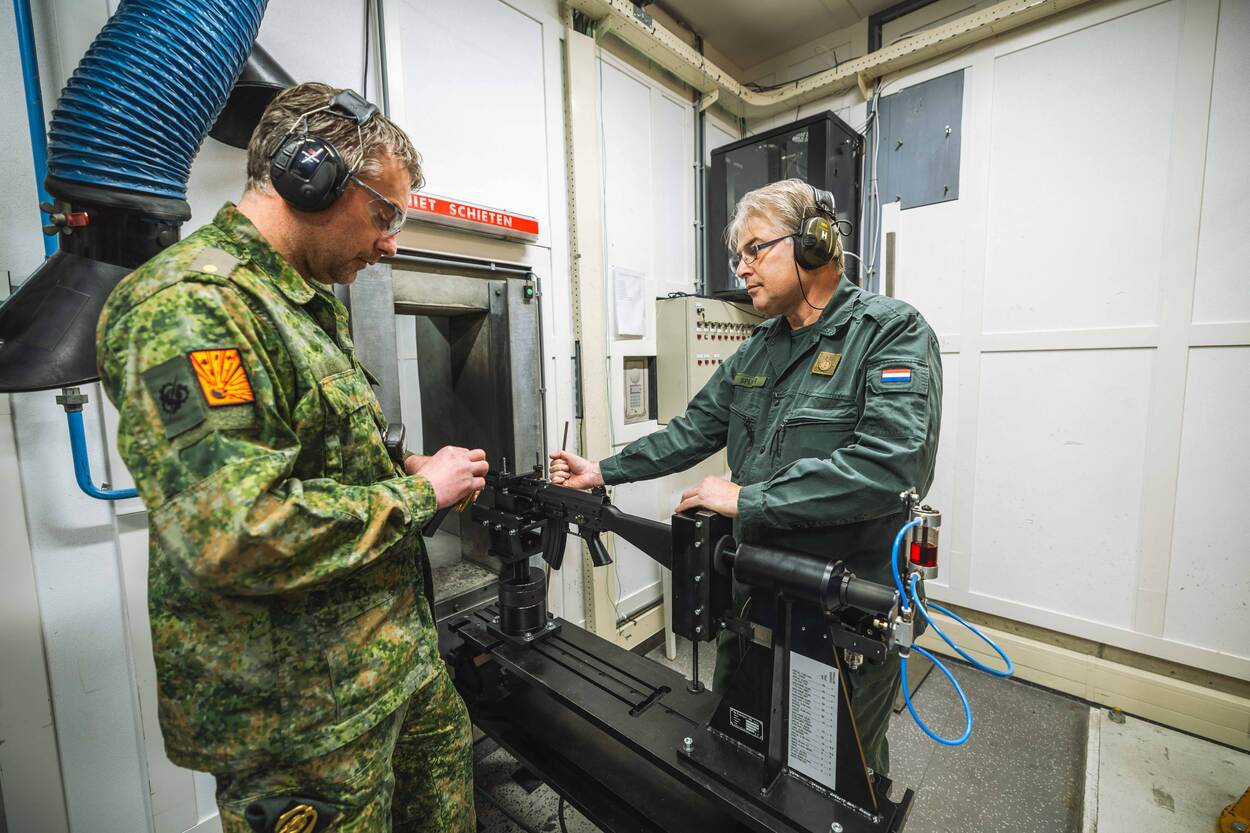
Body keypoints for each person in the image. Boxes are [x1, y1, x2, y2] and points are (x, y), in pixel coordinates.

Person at [96, 82, 482, 833]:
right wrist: (419, 497)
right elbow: (233, 531)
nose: (390, 242)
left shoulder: (296, 303)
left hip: (392, 670)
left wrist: (401, 471)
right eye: (383, 214)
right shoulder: (193, 304)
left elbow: (307, 466)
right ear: (309, 175)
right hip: (304, 726)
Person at [550, 177, 942, 778]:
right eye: (738, 255)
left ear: (814, 244)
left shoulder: (889, 332)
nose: (742, 268)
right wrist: (602, 469)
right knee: (735, 757)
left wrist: (748, 497)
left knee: (835, 784)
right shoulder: (759, 348)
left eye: (755, 249)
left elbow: (890, 467)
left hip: (841, 620)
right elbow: (694, 429)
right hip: (754, 602)